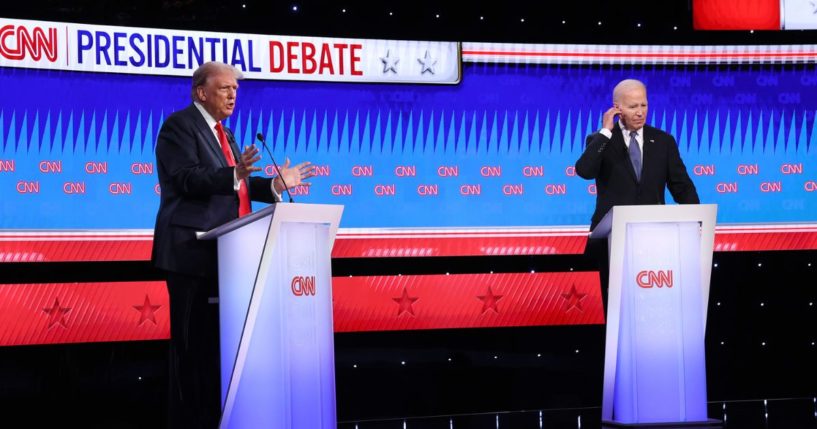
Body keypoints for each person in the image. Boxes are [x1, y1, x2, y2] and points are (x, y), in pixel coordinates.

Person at [151, 61, 315, 428]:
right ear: (201, 93)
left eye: (236, 90)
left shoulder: (225, 133)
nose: (232, 95)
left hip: (226, 256)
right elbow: (186, 179)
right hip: (190, 255)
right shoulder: (179, 127)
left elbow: (235, 184)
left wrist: (274, 184)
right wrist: (234, 173)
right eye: (225, 88)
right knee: (190, 352)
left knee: (215, 352)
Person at [575, 78, 699, 313]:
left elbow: (681, 186)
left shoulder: (663, 141)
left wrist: (697, 221)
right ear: (617, 108)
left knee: (652, 305)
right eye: (633, 107)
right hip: (610, 239)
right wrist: (605, 132)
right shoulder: (600, 140)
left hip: (654, 238)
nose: (640, 112)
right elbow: (584, 171)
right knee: (612, 307)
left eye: (643, 105)